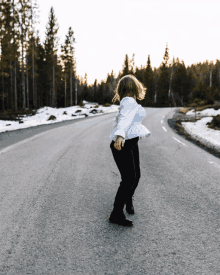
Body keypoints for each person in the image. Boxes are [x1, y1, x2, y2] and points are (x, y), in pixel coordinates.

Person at [109, 74, 151, 226]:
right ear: (134, 87)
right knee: (128, 179)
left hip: (130, 143)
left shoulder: (129, 101)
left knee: (135, 175)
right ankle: (116, 214)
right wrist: (120, 135)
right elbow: (124, 120)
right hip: (123, 143)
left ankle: (127, 200)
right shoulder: (128, 101)